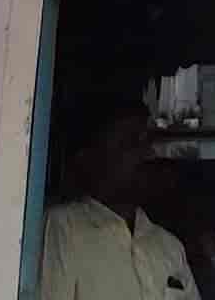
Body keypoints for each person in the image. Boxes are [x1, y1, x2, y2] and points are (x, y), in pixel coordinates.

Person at [41, 106, 201, 300]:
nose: (146, 154)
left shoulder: (170, 247)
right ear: (91, 158)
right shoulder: (63, 227)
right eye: (130, 142)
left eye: (146, 142)